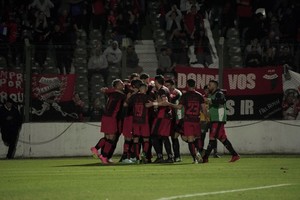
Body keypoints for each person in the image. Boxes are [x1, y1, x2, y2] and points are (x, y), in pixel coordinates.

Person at [165, 79, 207, 163]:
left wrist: (169, 104)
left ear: (187, 85)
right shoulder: (199, 96)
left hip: (188, 120)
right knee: (197, 138)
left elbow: (179, 107)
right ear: (195, 85)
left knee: (190, 139)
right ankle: (199, 152)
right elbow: (204, 110)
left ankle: (195, 158)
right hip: (196, 120)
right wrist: (206, 119)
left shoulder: (185, 95)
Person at [202, 80, 240, 163]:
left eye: (210, 85)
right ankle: (235, 155)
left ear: (215, 86)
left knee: (212, 138)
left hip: (218, 119)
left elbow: (221, 101)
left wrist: (209, 100)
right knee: (223, 139)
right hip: (215, 119)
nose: (208, 86)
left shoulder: (219, 93)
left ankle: (205, 158)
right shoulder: (211, 94)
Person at [90, 79, 126, 164]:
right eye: (121, 84)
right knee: (111, 138)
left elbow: (105, 90)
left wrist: (106, 90)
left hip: (106, 116)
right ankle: (97, 150)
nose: (123, 85)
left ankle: (103, 156)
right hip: (112, 117)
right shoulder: (121, 95)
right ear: (117, 86)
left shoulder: (111, 93)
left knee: (108, 138)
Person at [147, 75, 174, 163]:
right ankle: (169, 156)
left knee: (155, 136)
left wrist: (153, 104)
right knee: (162, 136)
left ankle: (162, 156)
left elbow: (165, 102)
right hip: (163, 115)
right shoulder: (163, 89)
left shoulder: (162, 90)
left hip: (162, 115)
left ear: (156, 82)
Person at [128, 83, 154, 164]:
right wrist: (156, 103)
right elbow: (154, 104)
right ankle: (144, 154)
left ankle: (137, 157)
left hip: (135, 121)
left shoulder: (134, 97)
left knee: (136, 139)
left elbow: (126, 104)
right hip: (144, 121)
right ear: (145, 89)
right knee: (146, 139)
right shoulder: (147, 97)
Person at [200, 85, 220, 158]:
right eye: (206, 90)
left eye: (208, 90)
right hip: (203, 120)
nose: (207, 91)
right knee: (202, 136)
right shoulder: (201, 97)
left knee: (213, 136)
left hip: (212, 119)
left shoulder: (213, 98)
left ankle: (215, 152)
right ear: (204, 91)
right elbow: (200, 108)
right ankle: (201, 150)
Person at [164, 79, 182, 162]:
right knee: (174, 137)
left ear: (172, 85)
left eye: (168, 85)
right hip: (174, 118)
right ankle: (177, 156)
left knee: (183, 137)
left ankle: (199, 151)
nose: (166, 87)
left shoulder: (176, 93)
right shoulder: (170, 93)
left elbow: (171, 102)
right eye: (165, 85)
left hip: (179, 117)